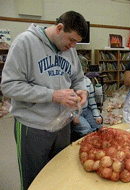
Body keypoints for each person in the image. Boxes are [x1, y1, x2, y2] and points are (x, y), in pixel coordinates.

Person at [1, 11, 89, 190]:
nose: (73, 47)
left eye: (76, 43)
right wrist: (52, 95)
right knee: (34, 180)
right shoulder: (24, 42)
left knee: (59, 174)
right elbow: (9, 86)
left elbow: (78, 77)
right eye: (71, 40)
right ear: (59, 28)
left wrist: (83, 90)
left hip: (63, 124)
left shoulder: (69, 49)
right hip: (32, 126)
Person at [71, 55, 102, 142]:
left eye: (84, 67)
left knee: (99, 126)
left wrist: (97, 115)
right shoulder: (69, 82)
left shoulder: (88, 81)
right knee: (87, 129)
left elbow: (92, 101)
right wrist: (74, 116)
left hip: (86, 111)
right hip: (76, 113)